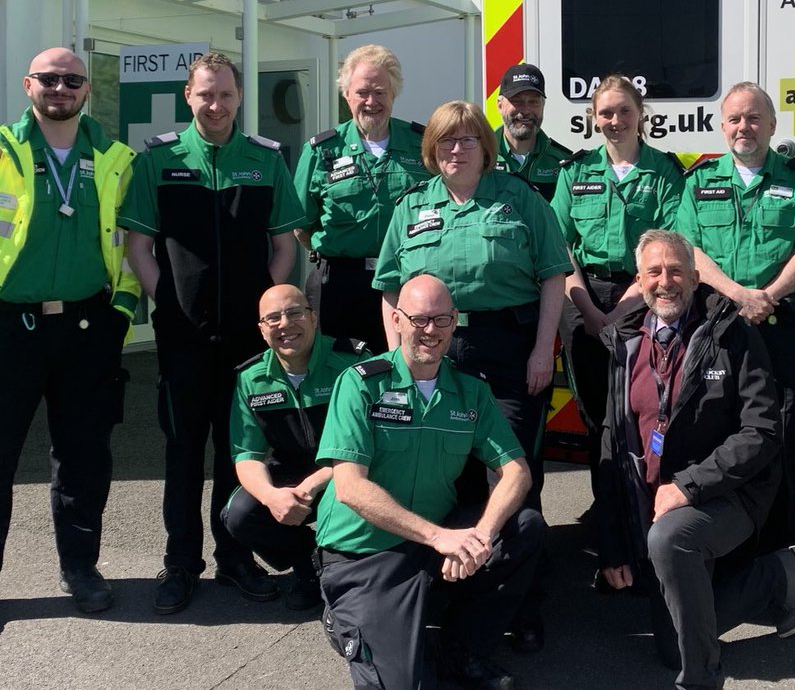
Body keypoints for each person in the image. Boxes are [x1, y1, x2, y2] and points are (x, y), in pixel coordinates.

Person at [373, 100, 570, 650]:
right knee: (443, 471)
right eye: (444, 141)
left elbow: (554, 276)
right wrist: (399, 363)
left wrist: (541, 353)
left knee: (512, 474)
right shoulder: (411, 207)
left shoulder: (520, 200)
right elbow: (390, 287)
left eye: (465, 140)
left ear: (486, 147)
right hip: (436, 350)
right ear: (431, 151)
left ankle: (523, 602)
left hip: (507, 351)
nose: (455, 150)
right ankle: (452, 588)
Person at [120, 51, 306, 615]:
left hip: (247, 346)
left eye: (225, 94)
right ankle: (180, 564)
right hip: (184, 342)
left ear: (239, 97)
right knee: (182, 454)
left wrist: (266, 312)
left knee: (239, 453)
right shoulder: (159, 160)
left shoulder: (266, 159)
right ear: (189, 96)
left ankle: (233, 560)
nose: (216, 104)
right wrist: (168, 308)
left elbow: (284, 245)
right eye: (206, 94)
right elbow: (138, 248)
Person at [596, 230, 795, 690]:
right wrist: (612, 544)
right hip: (656, 501)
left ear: (696, 278)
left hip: (728, 493)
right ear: (639, 280)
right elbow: (612, 445)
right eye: (654, 272)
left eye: (676, 270)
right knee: (669, 643)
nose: (665, 281)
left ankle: (700, 679)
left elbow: (763, 431)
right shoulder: (625, 342)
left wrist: (689, 486)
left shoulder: (732, 333)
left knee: (672, 540)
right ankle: (775, 576)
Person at [316, 275, 544, 690]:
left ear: (455, 321)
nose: (430, 331)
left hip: (431, 545)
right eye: (419, 319)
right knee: (403, 685)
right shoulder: (361, 383)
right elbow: (349, 487)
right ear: (397, 320)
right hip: (366, 555)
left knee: (524, 526)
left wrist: (481, 536)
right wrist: (439, 537)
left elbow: (516, 471)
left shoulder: (469, 391)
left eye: (441, 319)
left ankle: (462, 649)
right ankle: (345, 616)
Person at [0, 48, 139, 614]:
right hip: (9, 327)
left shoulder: (114, 157)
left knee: (84, 458)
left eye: (72, 80)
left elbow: (132, 248)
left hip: (87, 328)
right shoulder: (3, 150)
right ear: (29, 85)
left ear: (87, 90)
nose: (61, 88)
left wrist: (120, 317)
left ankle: (80, 568)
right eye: (50, 79)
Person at [673, 81, 795, 550]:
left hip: (781, 328)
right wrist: (740, 294)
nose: (745, 127)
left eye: (755, 117)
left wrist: (768, 296)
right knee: (717, 436)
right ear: (722, 127)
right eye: (735, 118)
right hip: (718, 327)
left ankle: (781, 552)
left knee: (779, 438)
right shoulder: (699, 181)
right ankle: (725, 549)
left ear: (773, 125)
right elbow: (689, 250)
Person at [550, 74, 684, 499]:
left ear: (640, 114)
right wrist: (590, 311)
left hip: (644, 298)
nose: (615, 120)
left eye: (625, 110)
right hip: (583, 297)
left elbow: (667, 248)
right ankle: (604, 509)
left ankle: (642, 506)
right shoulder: (575, 172)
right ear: (593, 118)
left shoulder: (664, 171)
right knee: (593, 414)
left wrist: (620, 311)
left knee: (642, 410)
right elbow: (561, 247)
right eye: (605, 112)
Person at [222, 284, 369, 611]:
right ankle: (309, 565)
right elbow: (246, 455)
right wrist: (272, 496)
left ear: (313, 318)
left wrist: (314, 484)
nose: (285, 324)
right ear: (262, 330)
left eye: (294, 313)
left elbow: (369, 443)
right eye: (272, 318)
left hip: (351, 470)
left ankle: (349, 570)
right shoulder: (252, 378)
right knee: (239, 515)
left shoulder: (352, 362)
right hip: (292, 472)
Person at [293, 45, 427, 353]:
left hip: (405, 281)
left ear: (394, 94)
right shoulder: (321, 150)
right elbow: (301, 224)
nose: (371, 102)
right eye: (362, 92)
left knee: (403, 368)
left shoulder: (421, 145)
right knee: (337, 370)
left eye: (380, 92)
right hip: (339, 283)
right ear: (347, 95)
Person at [494, 62, 574, 201]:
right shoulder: (480, 156)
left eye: (533, 102)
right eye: (517, 101)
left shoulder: (563, 162)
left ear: (543, 105)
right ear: (500, 105)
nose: (525, 110)